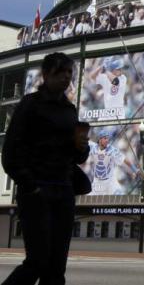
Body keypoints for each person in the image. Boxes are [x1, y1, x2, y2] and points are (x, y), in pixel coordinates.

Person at [1, 52, 90, 284]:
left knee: (56, 267)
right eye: (61, 72)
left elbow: (77, 156)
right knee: (37, 261)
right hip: (38, 190)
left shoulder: (70, 110)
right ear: (46, 74)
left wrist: (82, 148)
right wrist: (30, 186)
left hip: (64, 190)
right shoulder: (30, 105)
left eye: (70, 72)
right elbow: (10, 152)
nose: (66, 77)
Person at [85, 129, 143, 195]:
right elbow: (85, 141)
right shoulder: (93, 147)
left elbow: (124, 159)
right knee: (88, 201)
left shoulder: (112, 150)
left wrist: (135, 169)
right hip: (98, 184)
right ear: (100, 139)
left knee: (120, 199)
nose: (107, 140)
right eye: (105, 138)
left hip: (110, 183)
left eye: (107, 138)